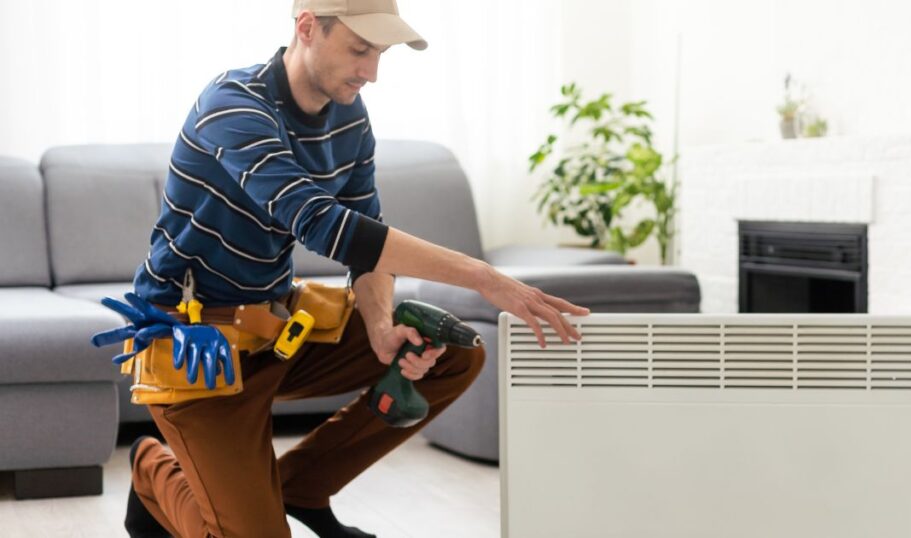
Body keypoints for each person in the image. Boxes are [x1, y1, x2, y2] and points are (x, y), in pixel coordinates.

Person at [114, 1, 589, 537]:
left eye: (380, 53)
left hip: (273, 330)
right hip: (196, 348)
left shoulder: (349, 116)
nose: (372, 72)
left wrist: (383, 327)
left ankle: (300, 486)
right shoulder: (232, 104)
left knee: (454, 353)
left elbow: (367, 246)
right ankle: (156, 468)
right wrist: (482, 275)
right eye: (359, 50)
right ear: (307, 28)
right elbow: (321, 224)